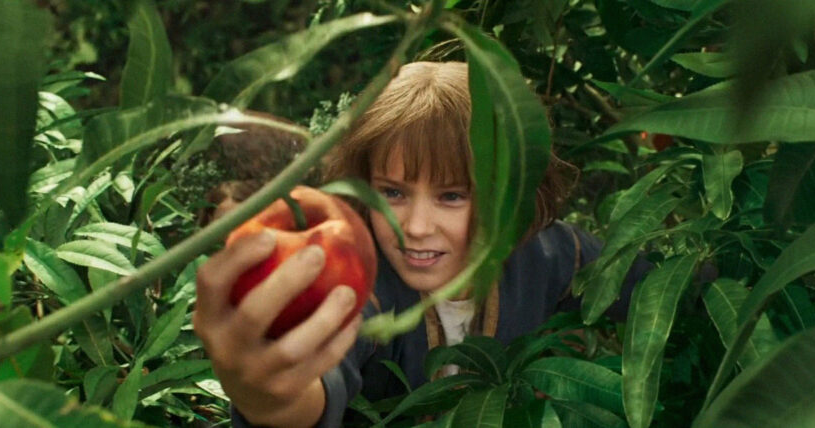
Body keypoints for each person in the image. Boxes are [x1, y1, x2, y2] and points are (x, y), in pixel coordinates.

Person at [193, 61, 646, 428]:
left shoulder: (549, 253)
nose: (415, 226)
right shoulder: (360, 280)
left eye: (452, 195)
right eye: (392, 192)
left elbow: (654, 287)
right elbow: (318, 383)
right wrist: (269, 399)